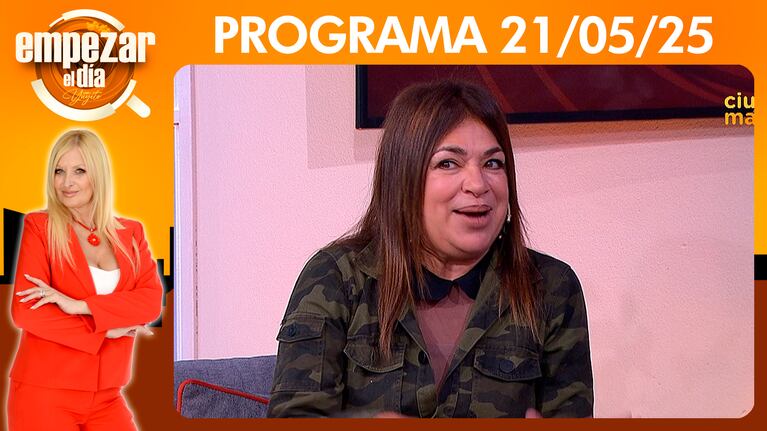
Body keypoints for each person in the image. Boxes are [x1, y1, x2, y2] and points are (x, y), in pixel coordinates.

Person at [267, 80, 593, 418]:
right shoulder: (334, 278)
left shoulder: (551, 287)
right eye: (448, 163)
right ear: (403, 178)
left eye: (493, 163)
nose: (478, 184)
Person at [7, 129, 163, 431]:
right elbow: (26, 311)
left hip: (108, 396)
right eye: (59, 171)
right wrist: (104, 331)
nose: (67, 182)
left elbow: (150, 302)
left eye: (79, 171)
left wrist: (81, 306)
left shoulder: (130, 232)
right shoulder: (40, 227)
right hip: (44, 393)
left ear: (98, 174)